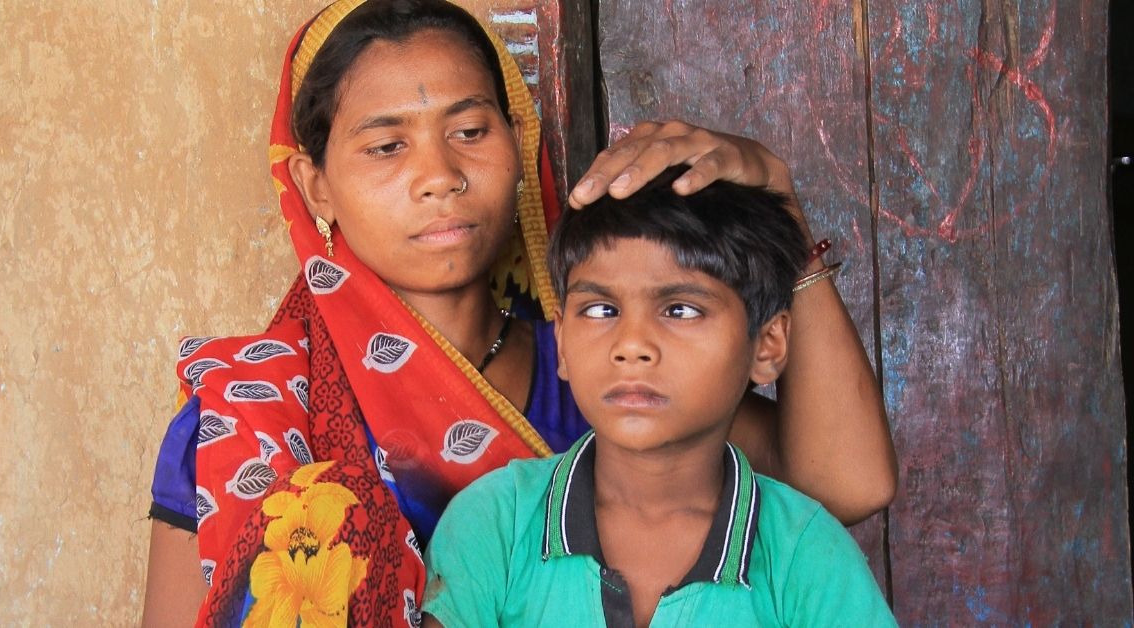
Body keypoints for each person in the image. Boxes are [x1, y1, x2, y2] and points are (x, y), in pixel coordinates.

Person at [141, 1, 896, 626]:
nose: (439, 176)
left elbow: (845, 484)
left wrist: (783, 215)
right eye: (385, 146)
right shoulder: (251, 412)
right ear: (316, 186)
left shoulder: (602, 362)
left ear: (518, 139)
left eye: (470, 132)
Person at [422, 169, 896, 627]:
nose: (631, 345)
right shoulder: (496, 524)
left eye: (680, 309)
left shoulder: (804, 554)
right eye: (601, 309)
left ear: (767, 344)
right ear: (562, 343)